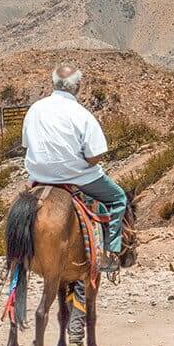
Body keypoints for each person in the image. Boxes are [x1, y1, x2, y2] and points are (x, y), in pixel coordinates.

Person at [22, 64, 127, 273]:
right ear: (77, 86)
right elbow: (94, 157)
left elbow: (26, 144)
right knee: (118, 198)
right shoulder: (82, 114)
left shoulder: (35, 109)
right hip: (77, 177)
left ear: (53, 83)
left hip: (39, 176)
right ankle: (111, 252)